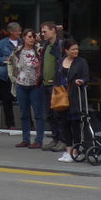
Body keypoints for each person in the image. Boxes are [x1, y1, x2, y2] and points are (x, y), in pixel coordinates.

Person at [9, 27, 45, 149]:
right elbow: (11, 63)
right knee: (24, 113)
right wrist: (14, 78)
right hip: (21, 85)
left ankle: (39, 140)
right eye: (29, 36)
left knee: (38, 113)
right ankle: (25, 139)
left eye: (33, 37)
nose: (31, 39)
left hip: (35, 85)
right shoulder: (18, 50)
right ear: (24, 38)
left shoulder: (39, 50)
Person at [57, 38, 90, 163]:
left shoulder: (81, 62)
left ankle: (76, 151)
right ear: (66, 50)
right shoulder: (60, 62)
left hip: (76, 97)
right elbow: (57, 78)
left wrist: (81, 81)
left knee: (75, 125)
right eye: (73, 49)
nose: (76, 51)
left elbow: (86, 77)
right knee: (64, 124)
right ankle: (68, 150)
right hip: (61, 96)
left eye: (77, 49)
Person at [39, 21, 65, 152]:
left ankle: (62, 140)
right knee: (50, 114)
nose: (43, 34)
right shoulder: (45, 45)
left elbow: (61, 64)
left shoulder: (59, 44)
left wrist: (56, 79)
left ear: (53, 30)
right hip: (46, 84)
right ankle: (55, 138)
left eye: (45, 31)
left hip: (56, 85)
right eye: (42, 31)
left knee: (58, 114)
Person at [0, 21, 21, 130]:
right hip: (6, 75)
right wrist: (5, 59)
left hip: (21, 75)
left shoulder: (23, 42)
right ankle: (10, 123)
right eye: (17, 30)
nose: (20, 32)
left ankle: (30, 123)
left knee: (23, 99)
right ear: (11, 32)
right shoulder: (2, 44)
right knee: (7, 100)